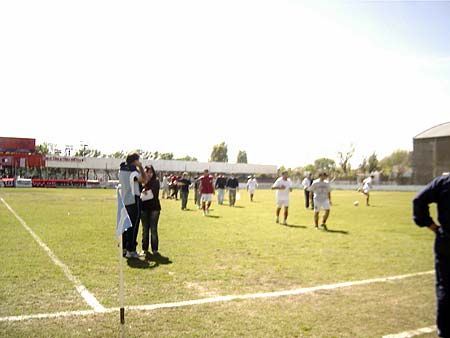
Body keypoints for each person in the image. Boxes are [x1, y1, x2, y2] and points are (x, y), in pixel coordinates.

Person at [413, 174, 450, 338]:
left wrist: (432, 226)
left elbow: (419, 200)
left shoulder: (444, 181)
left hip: (447, 240)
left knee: (445, 287)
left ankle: (445, 331)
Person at [118, 151, 148, 258]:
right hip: (133, 200)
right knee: (133, 226)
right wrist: (141, 168)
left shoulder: (121, 170)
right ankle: (131, 250)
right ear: (135, 161)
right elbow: (144, 180)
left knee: (126, 226)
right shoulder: (133, 172)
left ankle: (124, 248)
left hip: (125, 200)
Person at [141, 165, 161, 255]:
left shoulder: (155, 182)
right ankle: (144, 249)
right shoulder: (141, 181)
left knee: (153, 229)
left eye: (150, 172)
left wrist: (145, 191)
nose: (149, 174)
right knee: (145, 229)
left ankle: (155, 249)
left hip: (154, 208)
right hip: (144, 208)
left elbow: (152, 194)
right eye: (147, 172)